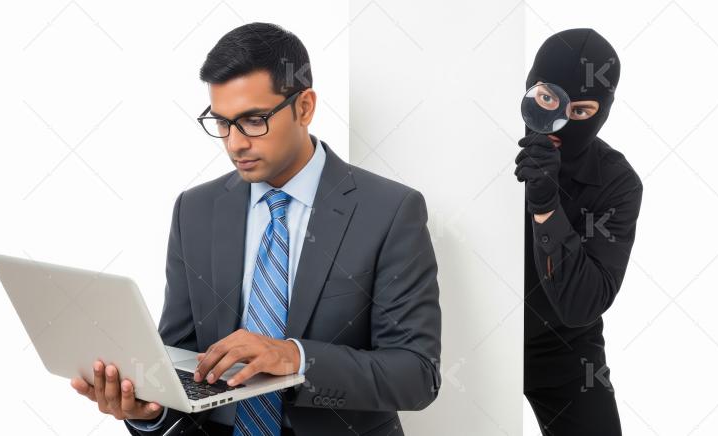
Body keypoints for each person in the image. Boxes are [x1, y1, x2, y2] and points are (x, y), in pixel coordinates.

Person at [69, 22, 442, 436]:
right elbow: (179, 361)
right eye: (222, 122)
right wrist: (148, 410)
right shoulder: (195, 210)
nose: (234, 143)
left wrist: (295, 358)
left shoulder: (389, 211)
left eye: (252, 120)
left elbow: (417, 374)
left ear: (304, 107)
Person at [514, 28, 643, 435]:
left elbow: (582, 305)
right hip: (477, 334)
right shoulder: (482, 145)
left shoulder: (618, 184)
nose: (559, 121)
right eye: (548, 99)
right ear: (530, 88)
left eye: (581, 112)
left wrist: (546, 207)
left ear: (602, 114)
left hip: (564, 348)